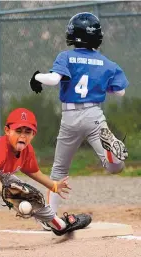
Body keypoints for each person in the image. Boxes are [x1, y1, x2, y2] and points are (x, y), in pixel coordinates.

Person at [29, 12, 129, 228]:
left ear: (73, 34)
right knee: (114, 168)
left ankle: (50, 218)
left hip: (70, 117)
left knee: (59, 170)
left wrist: (36, 77)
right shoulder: (106, 62)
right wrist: (100, 85)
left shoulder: (66, 57)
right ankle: (111, 153)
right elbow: (119, 92)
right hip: (94, 115)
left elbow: (54, 79)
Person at [0, 107, 91, 251]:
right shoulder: (1, 147)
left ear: (34, 134)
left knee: (25, 192)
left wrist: (54, 186)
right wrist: (4, 191)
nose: (23, 136)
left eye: (28, 132)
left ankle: (60, 225)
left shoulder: (27, 151)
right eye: (18, 131)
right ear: (7, 131)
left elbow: (34, 173)